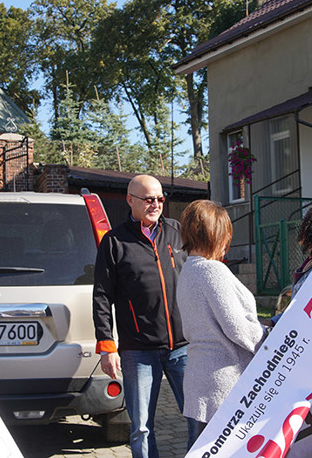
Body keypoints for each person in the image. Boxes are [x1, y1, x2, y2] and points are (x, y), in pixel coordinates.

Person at [92, 174, 196, 457]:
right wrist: (107, 346)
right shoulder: (114, 242)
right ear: (130, 200)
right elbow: (102, 297)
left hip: (183, 347)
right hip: (138, 351)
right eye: (149, 199)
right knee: (141, 427)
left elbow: (200, 273)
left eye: (160, 198)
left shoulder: (178, 232)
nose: (156, 204)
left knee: (197, 418)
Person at [176, 200, 269, 440]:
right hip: (225, 380)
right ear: (217, 234)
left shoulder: (188, 270)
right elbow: (236, 327)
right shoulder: (212, 271)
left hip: (200, 376)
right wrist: (269, 340)